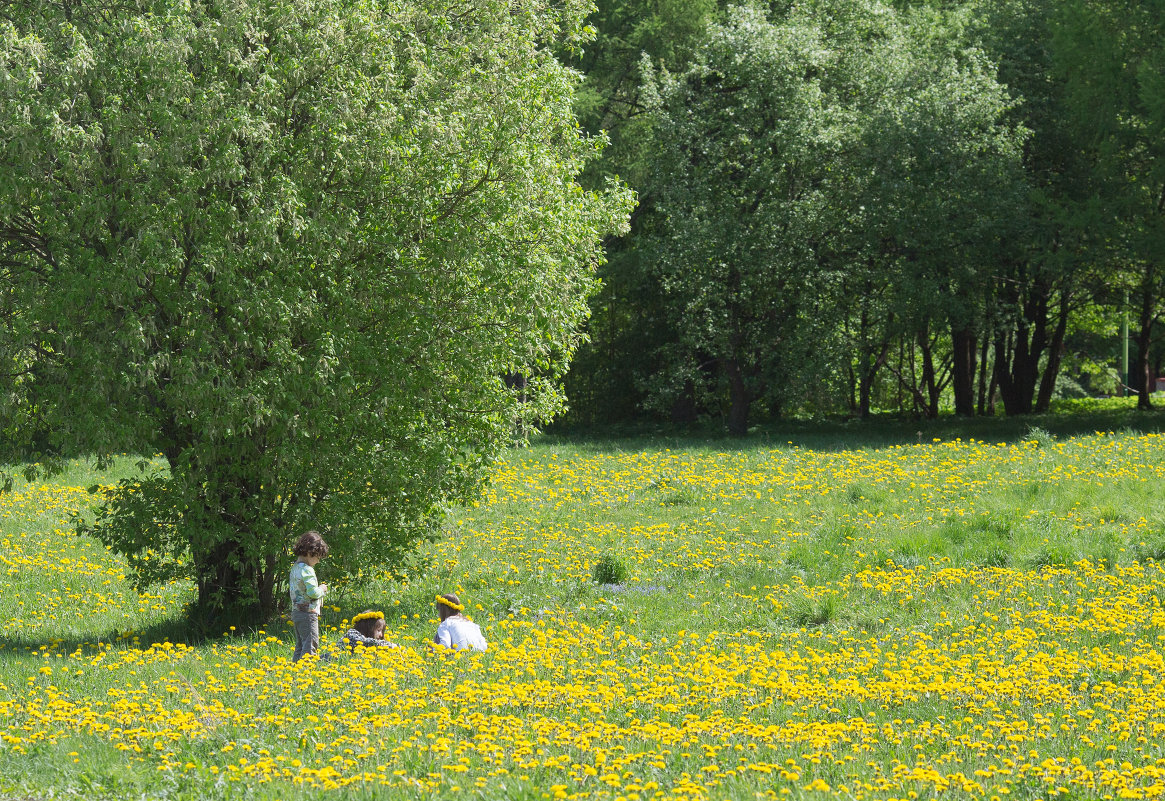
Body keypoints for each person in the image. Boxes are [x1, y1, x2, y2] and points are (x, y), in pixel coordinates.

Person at [289, 530, 329, 662]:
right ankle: (306, 673)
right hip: (308, 613)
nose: (318, 561)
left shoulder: (295, 567)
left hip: (296, 612)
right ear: (309, 552)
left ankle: (295, 669)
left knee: (300, 645)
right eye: (317, 557)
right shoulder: (307, 570)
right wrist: (322, 589)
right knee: (311, 644)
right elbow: (312, 593)